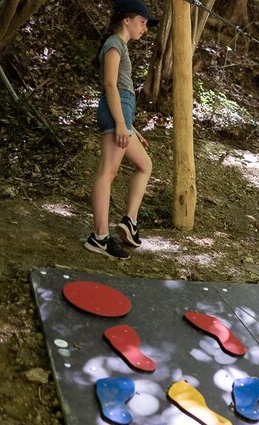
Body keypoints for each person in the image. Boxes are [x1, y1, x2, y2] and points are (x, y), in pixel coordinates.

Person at [84, 0, 159, 260]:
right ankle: (99, 237)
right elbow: (110, 85)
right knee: (107, 172)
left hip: (122, 114)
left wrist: (131, 127)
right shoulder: (114, 44)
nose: (145, 29)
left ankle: (130, 221)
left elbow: (121, 92)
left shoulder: (120, 46)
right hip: (115, 114)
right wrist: (119, 123)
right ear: (126, 20)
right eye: (142, 22)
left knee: (145, 165)